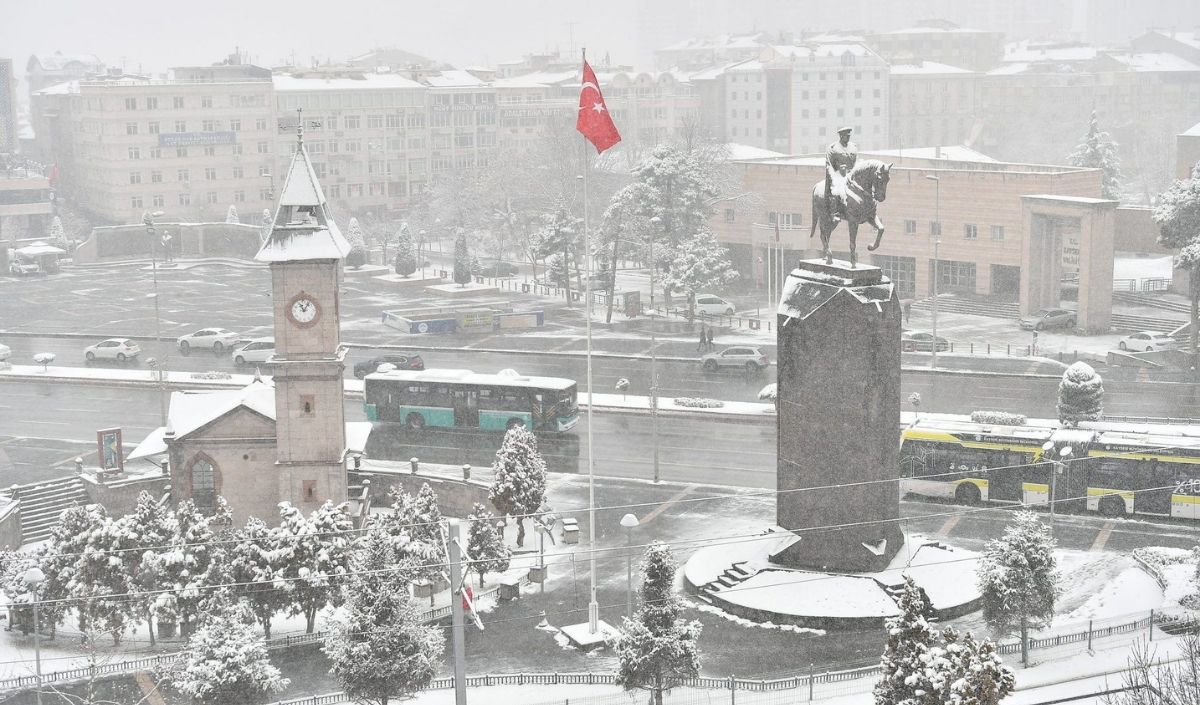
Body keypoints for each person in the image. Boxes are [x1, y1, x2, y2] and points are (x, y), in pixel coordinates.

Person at [825, 126, 859, 225]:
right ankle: (835, 212)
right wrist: (838, 171)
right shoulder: (833, 148)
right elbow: (829, 164)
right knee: (837, 190)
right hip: (838, 175)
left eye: (849, 136)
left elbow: (856, 160)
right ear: (841, 136)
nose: (848, 138)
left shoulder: (853, 147)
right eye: (845, 136)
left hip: (851, 174)